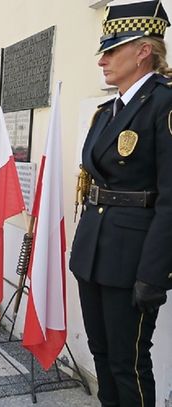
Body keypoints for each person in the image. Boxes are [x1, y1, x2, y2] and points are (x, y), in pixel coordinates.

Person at [70, 2, 172, 406]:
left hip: (132, 259)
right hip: (95, 253)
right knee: (102, 356)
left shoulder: (163, 105)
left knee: (127, 365)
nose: (102, 60)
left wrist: (155, 271)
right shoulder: (106, 112)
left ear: (144, 50)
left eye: (112, 50)